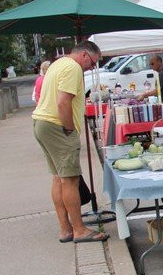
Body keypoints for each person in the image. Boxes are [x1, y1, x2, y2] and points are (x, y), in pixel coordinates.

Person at [32, 41, 108, 244]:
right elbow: (63, 102)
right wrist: (69, 128)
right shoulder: (73, 68)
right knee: (70, 180)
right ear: (84, 55)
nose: (92, 67)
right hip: (56, 125)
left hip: (42, 123)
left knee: (58, 178)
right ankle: (79, 230)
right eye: (93, 63)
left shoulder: (58, 64)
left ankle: (65, 229)